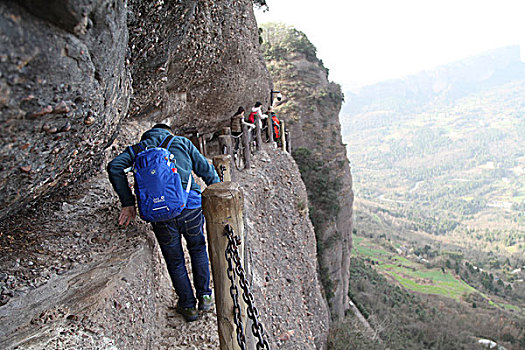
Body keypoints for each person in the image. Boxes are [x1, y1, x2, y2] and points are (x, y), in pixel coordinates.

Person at [107, 124, 220, 322]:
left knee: (175, 260)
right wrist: (220, 194)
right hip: (190, 207)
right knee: (197, 248)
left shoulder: (139, 149)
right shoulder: (181, 143)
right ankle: (205, 296)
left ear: (148, 135)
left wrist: (128, 203)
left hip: (160, 215)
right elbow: (206, 170)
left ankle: (188, 307)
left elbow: (114, 167)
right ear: (168, 132)